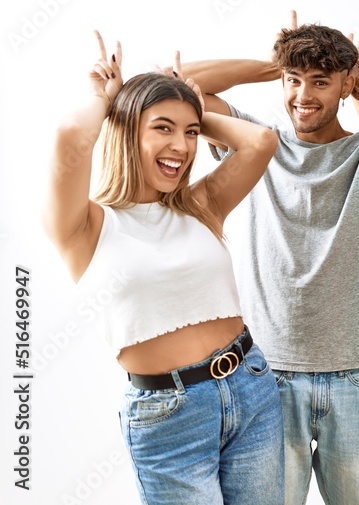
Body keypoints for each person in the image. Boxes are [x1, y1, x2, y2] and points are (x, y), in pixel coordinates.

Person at [184, 12, 359, 505]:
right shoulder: (256, 143)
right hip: (266, 373)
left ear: (343, 85)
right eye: (294, 81)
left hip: (353, 375)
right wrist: (274, 63)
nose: (303, 95)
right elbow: (184, 88)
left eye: (320, 81)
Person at [43, 33, 282, 504]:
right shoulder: (86, 226)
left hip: (251, 388)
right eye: (163, 128)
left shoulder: (200, 205)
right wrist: (106, 99)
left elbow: (259, 142)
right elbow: (70, 136)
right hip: (168, 418)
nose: (182, 146)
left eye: (191, 132)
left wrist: (191, 103)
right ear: (128, 128)